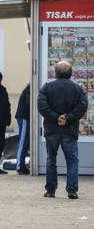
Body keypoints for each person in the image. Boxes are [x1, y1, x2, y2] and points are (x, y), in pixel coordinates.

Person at [38, 61, 88, 199]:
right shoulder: (78, 88)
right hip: (69, 130)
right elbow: (82, 106)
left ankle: (50, 190)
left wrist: (55, 117)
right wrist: (68, 118)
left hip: (52, 130)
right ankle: (72, 190)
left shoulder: (47, 87)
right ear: (70, 73)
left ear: (56, 72)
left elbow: (42, 106)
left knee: (51, 160)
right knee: (72, 160)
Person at [15, 84, 30, 175]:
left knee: (25, 141)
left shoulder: (30, 88)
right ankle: (20, 166)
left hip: (25, 117)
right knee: (23, 141)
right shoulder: (31, 89)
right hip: (24, 117)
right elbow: (29, 104)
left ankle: (21, 165)